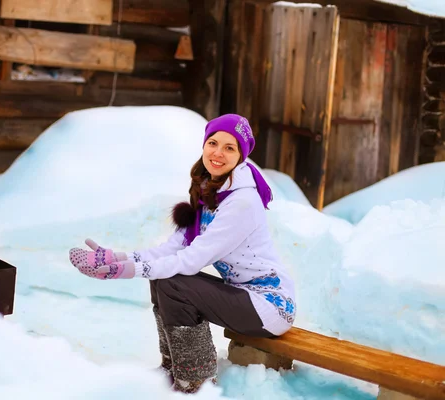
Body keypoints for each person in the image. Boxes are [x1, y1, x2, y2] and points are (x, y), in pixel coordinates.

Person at [69, 114, 296, 394]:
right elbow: (169, 250)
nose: (218, 153)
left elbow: (191, 260)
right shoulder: (210, 192)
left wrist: (125, 272)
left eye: (230, 147)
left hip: (270, 306)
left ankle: (196, 380)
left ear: (241, 156)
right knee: (162, 276)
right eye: (213, 143)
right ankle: (173, 367)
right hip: (244, 295)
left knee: (174, 280)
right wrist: (117, 258)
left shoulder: (241, 202)